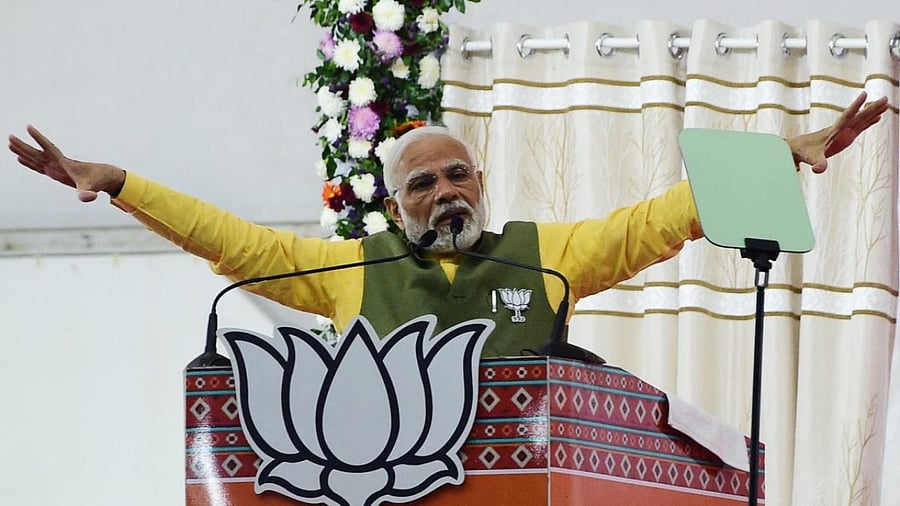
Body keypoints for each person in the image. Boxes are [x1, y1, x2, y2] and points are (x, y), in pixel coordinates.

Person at [7, 92, 889, 357]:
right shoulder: (352, 267)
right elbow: (234, 242)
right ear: (399, 206)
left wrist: (780, 158)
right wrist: (120, 181)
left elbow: (661, 219)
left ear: (482, 181)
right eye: (422, 183)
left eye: (457, 173)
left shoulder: (545, 258)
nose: (444, 190)